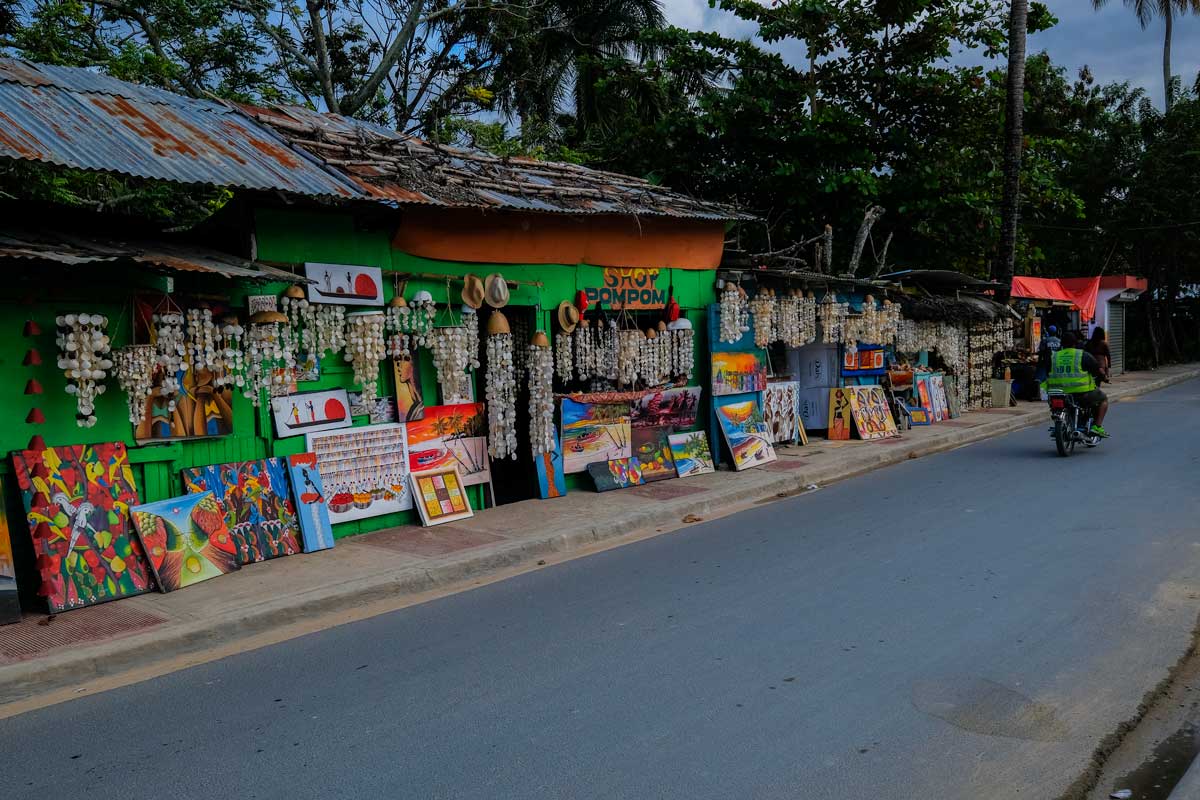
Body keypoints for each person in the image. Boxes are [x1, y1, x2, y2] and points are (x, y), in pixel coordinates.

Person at [1044, 332, 1109, 437]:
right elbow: (1097, 369)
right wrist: (1104, 377)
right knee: (1103, 399)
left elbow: (1047, 372)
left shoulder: (1053, 356)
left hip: (1057, 393)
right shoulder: (1082, 355)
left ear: (1062, 344)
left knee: (1055, 408)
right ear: (1075, 343)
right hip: (1080, 393)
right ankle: (1097, 427)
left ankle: (1060, 423)